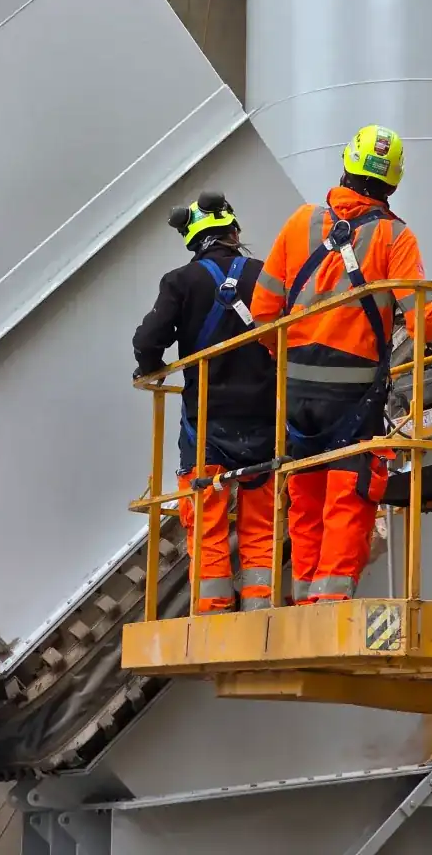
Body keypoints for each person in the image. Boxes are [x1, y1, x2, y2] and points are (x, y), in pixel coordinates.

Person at [250, 125, 432, 605]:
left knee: (305, 490)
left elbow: (263, 311)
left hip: (297, 388)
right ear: (394, 182)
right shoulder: (394, 236)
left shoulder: (299, 223)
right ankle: (329, 605)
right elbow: (426, 322)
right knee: (349, 490)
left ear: (346, 162)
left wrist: (296, 357)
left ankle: (305, 602)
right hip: (353, 392)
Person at [133, 191, 277, 614]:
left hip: (206, 426)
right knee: (262, 525)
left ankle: (213, 614)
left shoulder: (181, 281)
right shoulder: (264, 274)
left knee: (206, 521)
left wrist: (151, 367)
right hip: (267, 418)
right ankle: (260, 612)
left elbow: (147, 340)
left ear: (192, 238)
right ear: (234, 230)